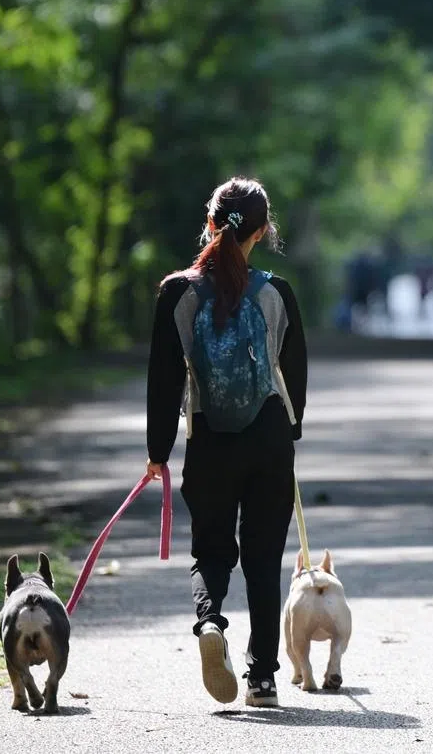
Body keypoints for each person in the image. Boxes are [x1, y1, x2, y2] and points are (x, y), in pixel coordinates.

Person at [146, 177, 307, 709]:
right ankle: (261, 677)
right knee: (264, 559)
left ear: (211, 222)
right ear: (261, 231)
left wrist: (157, 451)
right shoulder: (277, 293)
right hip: (267, 437)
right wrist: (292, 429)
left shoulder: (178, 293)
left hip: (210, 439)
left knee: (212, 551)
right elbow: (296, 374)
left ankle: (210, 622)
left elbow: (164, 381)